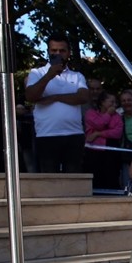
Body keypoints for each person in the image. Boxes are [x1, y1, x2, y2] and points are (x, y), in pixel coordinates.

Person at [24, 35, 89, 173]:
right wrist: (49, 76)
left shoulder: (77, 76)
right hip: (47, 135)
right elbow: (31, 96)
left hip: (74, 134)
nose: (58, 54)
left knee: (73, 180)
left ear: (68, 52)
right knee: (49, 181)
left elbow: (83, 97)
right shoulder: (36, 73)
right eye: (54, 51)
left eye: (62, 51)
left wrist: (55, 97)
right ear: (48, 51)